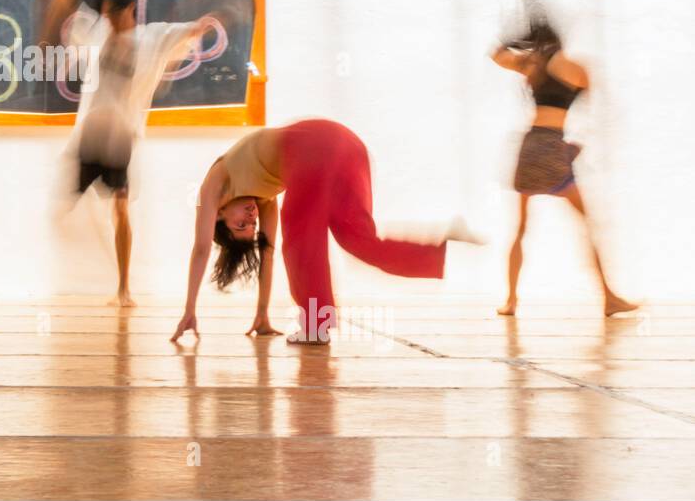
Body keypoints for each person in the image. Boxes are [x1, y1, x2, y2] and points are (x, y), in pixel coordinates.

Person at [170, 119, 475, 345]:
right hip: (347, 146)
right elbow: (268, 254)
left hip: (315, 147)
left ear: (220, 216)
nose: (251, 219)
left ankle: (316, 325)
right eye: (250, 227)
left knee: (301, 238)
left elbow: (201, 249)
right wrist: (263, 314)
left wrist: (189, 310)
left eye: (240, 224)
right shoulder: (262, 198)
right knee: (358, 238)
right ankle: (441, 249)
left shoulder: (215, 184)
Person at [42, 0, 216, 307]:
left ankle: (123, 289)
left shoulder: (151, 37)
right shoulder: (97, 31)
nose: (109, 22)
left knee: (121, 209)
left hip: (119, 140)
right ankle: (79, 277)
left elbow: (185, 31)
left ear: (130, 10)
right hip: (90, 137)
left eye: (114, 16)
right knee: (59, 211)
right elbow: (65, 10)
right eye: (104, 15)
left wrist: (201, 26)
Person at [490, 19, 639, 317]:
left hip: (532, 147)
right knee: (586, 223)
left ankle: (510, 301)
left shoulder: (532, 65)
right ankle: (609, 298)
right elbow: (592, 112)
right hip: (554, 148)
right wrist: (576, 148)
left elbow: (497, 54)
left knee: (520, 228)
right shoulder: (576, 67)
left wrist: (521, 39)